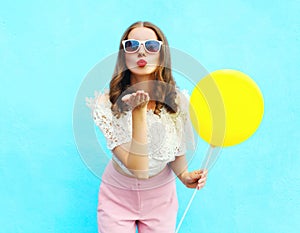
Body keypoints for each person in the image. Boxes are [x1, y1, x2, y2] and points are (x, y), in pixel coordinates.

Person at [86, 21, 208, 233]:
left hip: (161, 199)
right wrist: (138, 112)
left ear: (162, 55)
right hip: (117, 196)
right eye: (132, 45)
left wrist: (186, 176)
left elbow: (175, 153)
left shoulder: (178, 102)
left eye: (151, 46)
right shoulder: (107, 104)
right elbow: (138, 168)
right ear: (124, 55)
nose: (142, 52)